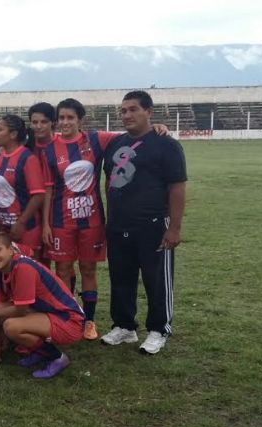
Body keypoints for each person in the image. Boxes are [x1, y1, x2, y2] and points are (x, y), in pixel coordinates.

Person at [42, 98, 170, 340]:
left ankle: (89, 321)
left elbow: (131, 133)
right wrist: (47, 223)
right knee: (63, 270)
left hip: (91, 220)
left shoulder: (95, 139)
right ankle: (68, 316)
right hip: (62, 221)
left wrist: (156, 126)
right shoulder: (49, 148)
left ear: (80, 120)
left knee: (89, 269)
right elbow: (49, 189)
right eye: (61, 118)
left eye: (70, 117)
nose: (65, 122)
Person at [101, 90, 187, 355]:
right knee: (121, 278)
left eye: (133, 109)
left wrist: (173, 227)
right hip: (119, 225)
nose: (127, 115)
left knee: (156, 280)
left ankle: (159, 329)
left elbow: (177, 187)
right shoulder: (115, 144)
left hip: (152, 225)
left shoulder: (166, 145)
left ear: (149, 112)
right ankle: (125, 326)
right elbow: (110, 181)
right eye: (123, 111)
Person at [0, 233, 84, 379]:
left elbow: (20, 309)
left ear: (11, 250)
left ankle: (57, 358)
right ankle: (40, 352)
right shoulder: (0, 271)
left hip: (70, 321)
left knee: (11, 326)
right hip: (49, 314)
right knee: (0, 311)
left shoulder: (23, 268)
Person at [0, 114, 45, 257]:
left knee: (27, 271)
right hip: (4, 227)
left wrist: (21, 223)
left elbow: (38, 195)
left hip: (25, 228)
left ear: (13, 134)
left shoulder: (27, 158)